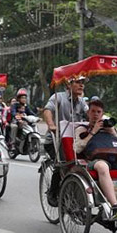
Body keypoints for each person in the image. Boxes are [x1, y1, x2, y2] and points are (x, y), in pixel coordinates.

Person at [75, 100, 117, 219]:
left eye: (98, 112)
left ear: (102, 114)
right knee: (103, 166)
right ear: (88, 113)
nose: (95, 114)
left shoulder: (109, 127)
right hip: (95, 160)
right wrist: (93, 132)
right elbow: (78, 149)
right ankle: (115, 206)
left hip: (115, 158)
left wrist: (113, 133)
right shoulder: (82, 129)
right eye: (93, 111)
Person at [44, 77, 89, 206]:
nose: (81, 85)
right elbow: (48, 110)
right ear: (68, 85)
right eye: (78, 83)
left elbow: (89, 114)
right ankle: (53, 193)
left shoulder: (81, 102)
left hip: (73, 141)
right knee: (62, 163)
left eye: (82, 83)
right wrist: (51, 125)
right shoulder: (59, 97)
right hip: (55, 140)